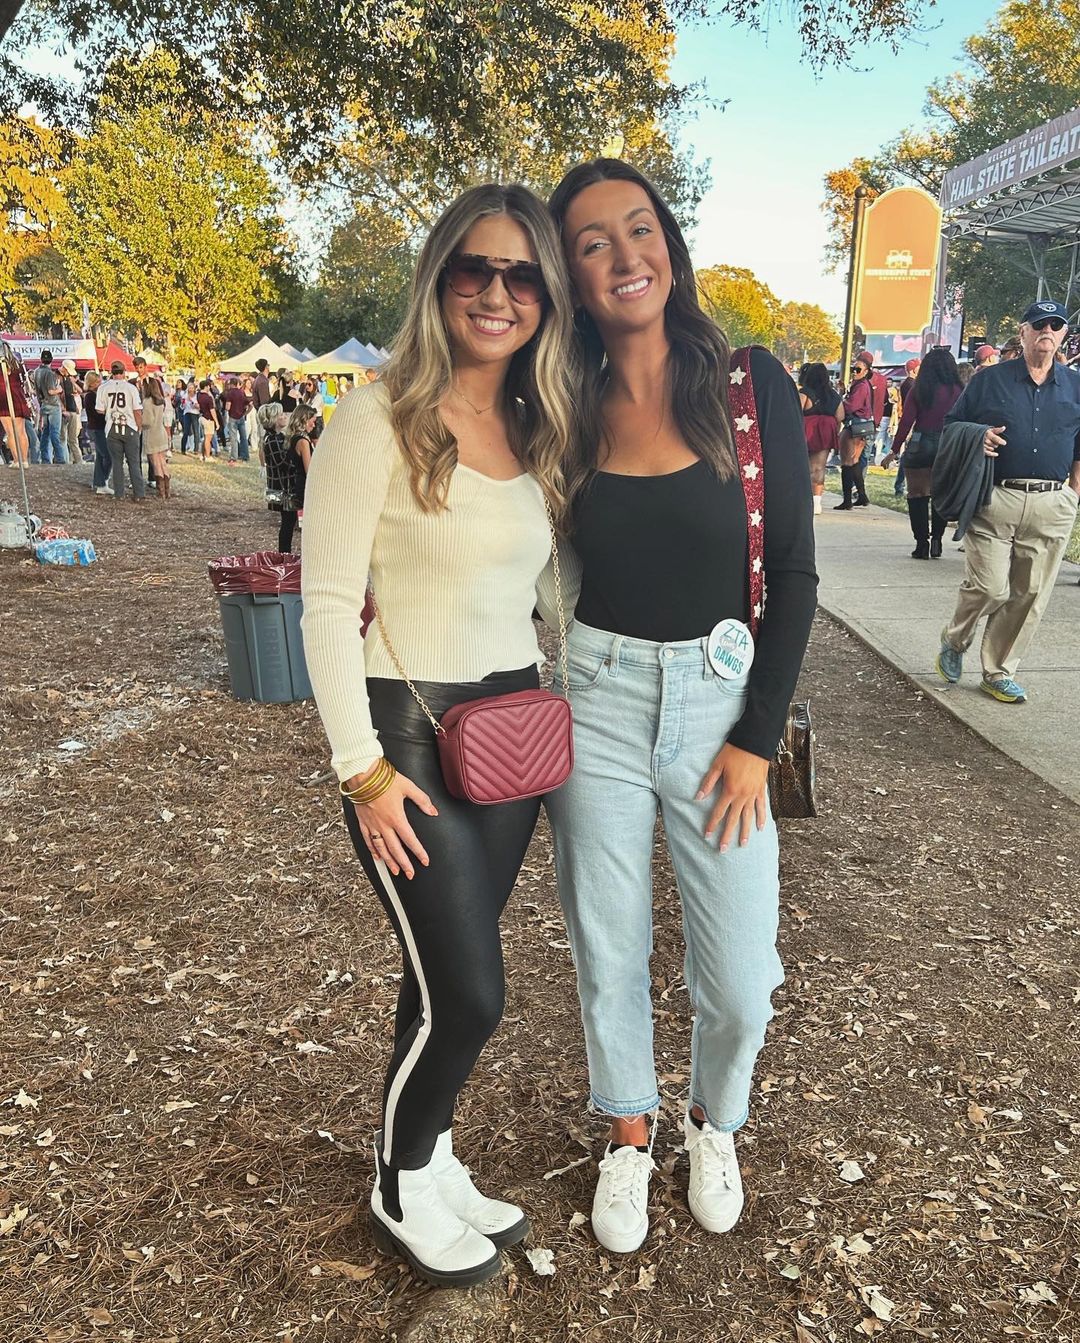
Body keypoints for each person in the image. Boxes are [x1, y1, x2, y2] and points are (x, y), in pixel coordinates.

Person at [301, 183, 575, 1288]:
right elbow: (325, 604)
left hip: (509, 735)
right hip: (406, 738)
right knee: (472, 991)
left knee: (436, 977)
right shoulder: (375, 417)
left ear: (546, 297)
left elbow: (541, 587)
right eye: (476, 267)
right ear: (439, 276)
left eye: (523, 275)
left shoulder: (537, 426)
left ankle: (435, 1154)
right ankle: (398, 1179)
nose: (497, 293)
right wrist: (360, 771)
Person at [546, 158, 817, 1254]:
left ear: (669, 242)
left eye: (639, 228)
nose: (625, 256)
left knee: (742, 977)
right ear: (570, 275)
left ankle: (714, 1119)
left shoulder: (750, 385)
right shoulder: (559, 403)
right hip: (599, 698)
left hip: (721, 706)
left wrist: (757, 737)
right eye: (593, 242)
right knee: (607, 945)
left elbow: (793, 573)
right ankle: (628, 1129)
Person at [936, 300, 1080, 704]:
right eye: (1039, 324)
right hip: (996, 496)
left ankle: (998, 671)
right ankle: (955, 638)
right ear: (1023, 332)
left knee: (1029, 593)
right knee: (990, 587)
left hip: (1052, 502)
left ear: (1063, 335)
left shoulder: (1075, 386)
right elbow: (952, 424)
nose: (1047, 331)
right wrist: (977, 435)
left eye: (1055, 325)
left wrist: (1073, 494)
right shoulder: (989, 380)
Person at [881, 347, 963, 559]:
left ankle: (921, 543)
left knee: (917, 494)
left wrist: (894, 450)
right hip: (948, 442)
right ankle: (937, 540)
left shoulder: (920, 389)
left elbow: (906, 422)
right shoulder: (959, 390)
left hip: (921, 441)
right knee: (939, 494)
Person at [797, 362, 841, 515]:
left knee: (803, 465)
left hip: (806, 429)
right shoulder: (833, 395)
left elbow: (796, 411)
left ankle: (804, 499)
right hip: (826, 431)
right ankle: (817, 501)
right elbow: (840, 416)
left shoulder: (805, 392)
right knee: (819, 467)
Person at [99, 360, 144, 500]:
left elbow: (100, 409)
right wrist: (139, 427)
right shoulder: (131, 388)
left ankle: (119, 493)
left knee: (117, 463)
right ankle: (139, 493)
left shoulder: (103, 387)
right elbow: (137, 410)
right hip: (129, 425)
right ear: (124, 372)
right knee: (134, 462)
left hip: (112, 426)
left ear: (111, 372)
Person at [274, 403, 315, 551]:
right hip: (302, 485)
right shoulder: (303, 441)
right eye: (312, 421)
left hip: (292, 484)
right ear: (304, 420)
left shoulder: (291, 437)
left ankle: (284, 554)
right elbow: (309, 469)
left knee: (288, 524)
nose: (314, 425)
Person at [835, 357, 874, 509]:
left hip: (854, 425)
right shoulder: (862, 385)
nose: (854, 372)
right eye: (853, 369)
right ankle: (862, 496)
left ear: (866, 371)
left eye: (858, 369)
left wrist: (840, 401)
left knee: (847, 462)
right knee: (854, 461)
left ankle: (847, 500)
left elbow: (851, 406)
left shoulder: (861, 386)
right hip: (861, 425)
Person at [139, 370, 171, 499]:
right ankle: (167, 490)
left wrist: (139, 421)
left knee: (156, 463)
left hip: (151, 434)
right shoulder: (160, 400)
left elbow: (147, 421)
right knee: (163, 462)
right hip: (161, 432)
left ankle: (160, 491)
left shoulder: (147, 402)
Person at [32, 350, 66, 464]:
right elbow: (51, 391)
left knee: (45, 433)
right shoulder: (50, 373)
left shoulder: (36, 372)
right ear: (51, 360)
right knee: (55, 433)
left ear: (41, 359)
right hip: (53, 404)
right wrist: (59, 389)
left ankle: (45, 458)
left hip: (43, 404)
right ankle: (60, 458)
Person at [0, 348, 31, 467]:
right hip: (17, 395)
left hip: (3, 397)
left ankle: (18, 461)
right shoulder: (17, 364)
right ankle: (24, 460)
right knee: (21, 431)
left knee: (11, 432)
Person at [83, 371, 113, 495]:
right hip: (96, 428)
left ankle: (99, 482)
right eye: (97, 382)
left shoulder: (96, 394)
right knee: (108, 455)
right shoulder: (90, 396)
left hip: (98, 428)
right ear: (91, 383)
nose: (99, 383)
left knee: (101, 456)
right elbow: (96, 414)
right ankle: (102, 481)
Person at [59, 360, 84, 464]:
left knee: (71, 439)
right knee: (65, 438)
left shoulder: (67, 379)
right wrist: (63, 409)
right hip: (67, 411)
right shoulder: (58, 378)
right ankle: (69, 460)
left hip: (71, 410)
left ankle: (77, 460)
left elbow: (80, 391)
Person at [223, 376, 251, 463]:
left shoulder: (230, 393)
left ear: (231, 384)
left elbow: (228, 407)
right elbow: (250, 404)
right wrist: (246, 413)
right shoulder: (242, 392)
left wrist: (226, 408)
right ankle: (245, 455)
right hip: (241, 417)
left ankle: (234, 456)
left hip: (233, 417)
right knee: (243, 437)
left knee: (233, 438)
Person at [196, 379, 218, 459]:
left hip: (201, 417)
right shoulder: (208, 398)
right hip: (208, 418)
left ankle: (203, 454)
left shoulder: (198, 395)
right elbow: (212, 410)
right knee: (208, 438)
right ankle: (208, 456)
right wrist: (216, 421)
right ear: (206, 387)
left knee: (205, 437)